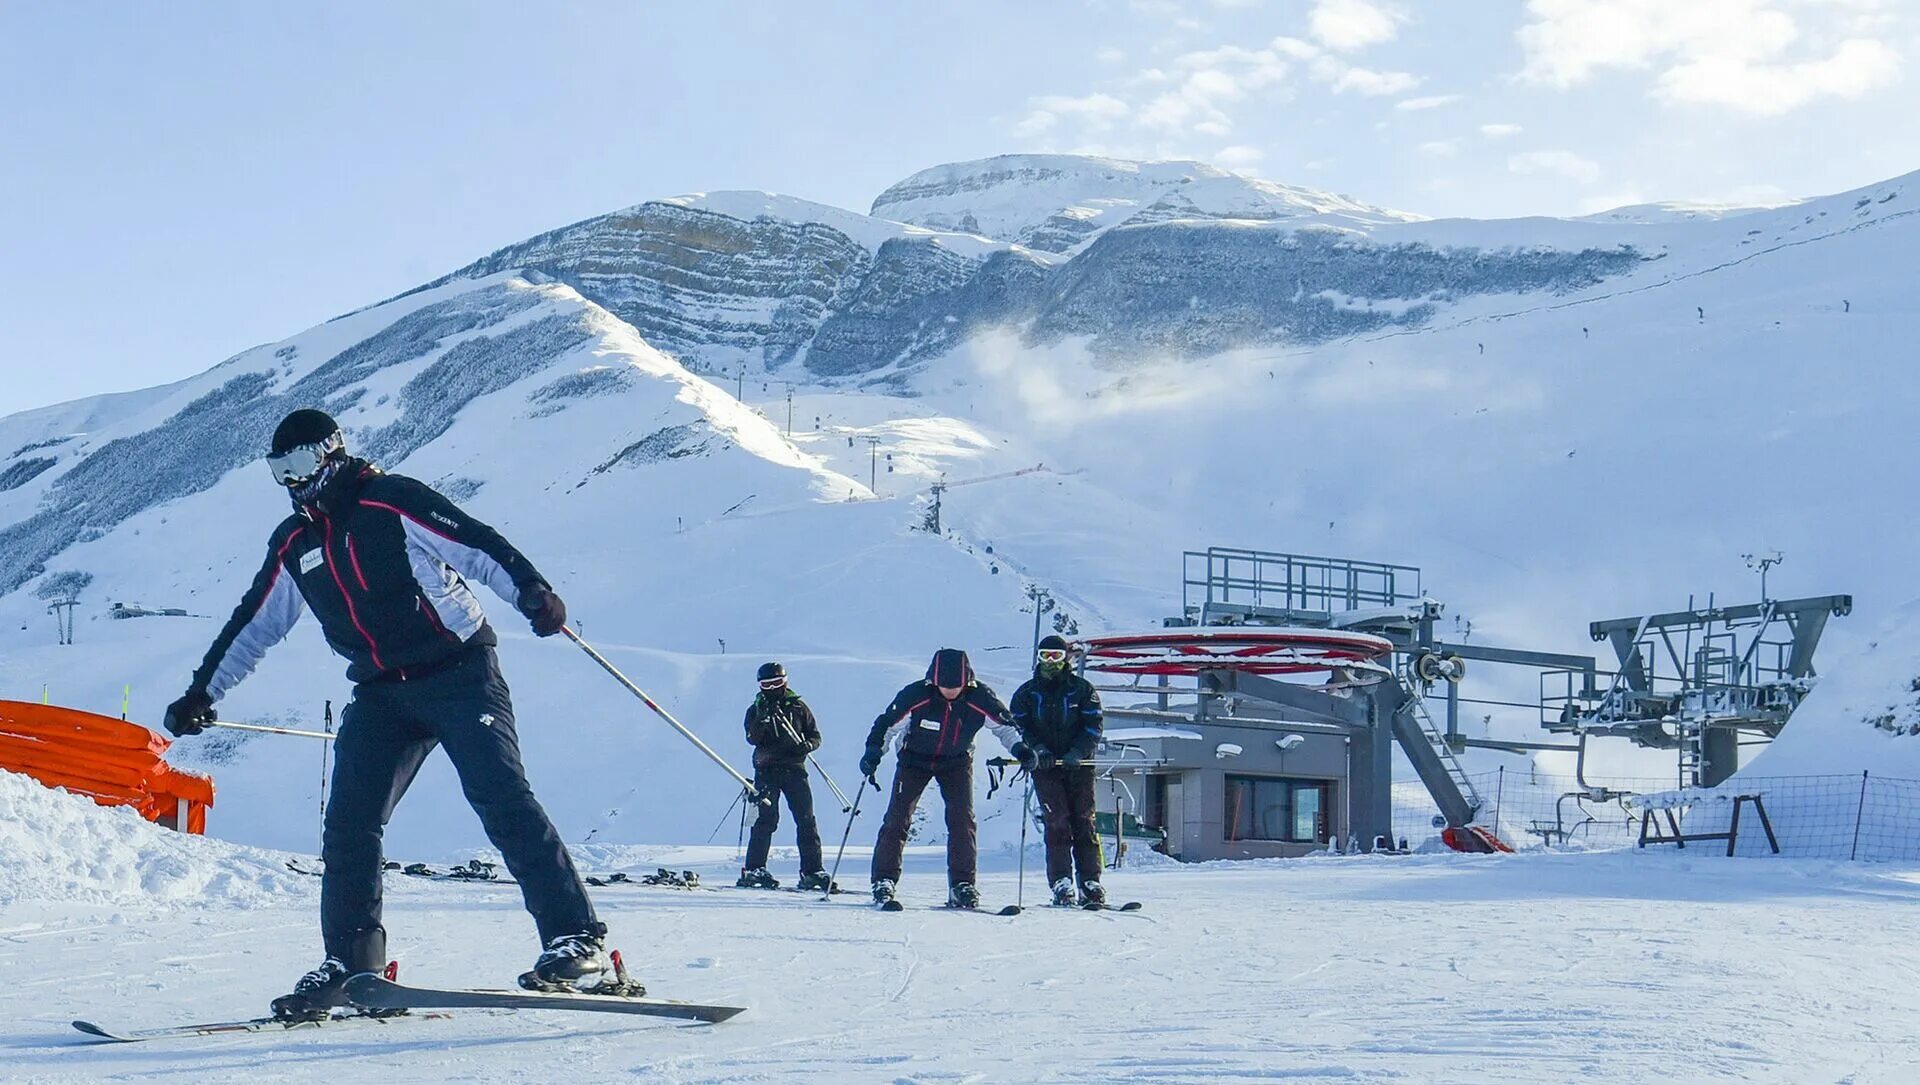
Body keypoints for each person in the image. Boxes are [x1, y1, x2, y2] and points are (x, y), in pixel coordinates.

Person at [161, 408, 607, 1019]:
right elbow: (255, 622)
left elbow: (478, 547)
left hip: (458, 672)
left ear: (329, 452)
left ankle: (575, 938)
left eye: (297, 464)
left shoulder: (390, 501)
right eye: (277, 470)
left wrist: (530, 589)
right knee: (349, 823)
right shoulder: (296, 543)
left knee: (501, 797)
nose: (291, 480)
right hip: (381, 693)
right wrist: (203, 692)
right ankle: (352, 965)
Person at [859, 647, 1019, 909]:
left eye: (955, 686)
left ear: (967, 681)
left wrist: (1020, 750)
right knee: (898, 818)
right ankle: (884, 880)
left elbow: (1005, 728)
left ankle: (962, 885)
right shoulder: (916, 695)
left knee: (962, 820)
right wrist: (874, 751)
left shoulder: (980, 697)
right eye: (944, 686)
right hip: (914, 760)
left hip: (957, 762)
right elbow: (886, 725)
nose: (949, 691)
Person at [1007, 635, 1108, 907]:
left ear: (1066, 658)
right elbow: (1019, 726)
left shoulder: (1082, 690)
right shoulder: (1027, 693)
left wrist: (1078, 752)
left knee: (1084, 819)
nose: (1050, 662)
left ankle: (1090, 880)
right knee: (1057, 820)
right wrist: (1038, 750)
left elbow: (1093, 726)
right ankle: (1061, 880)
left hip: (1079, 766)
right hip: (1046, 766)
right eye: (1045, 656)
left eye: (1056, 656)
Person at [737, 661, 831, 892]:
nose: (772, 689)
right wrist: (763, 719)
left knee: (806, 820)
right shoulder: (755, 709)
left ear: (785, 681)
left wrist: (807, 745)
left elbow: (815, 736)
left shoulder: (798, 707)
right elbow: (752, 738)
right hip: (767, 771)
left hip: (795, 770)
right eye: (766, 685)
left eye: (777, 683)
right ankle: (754, 869)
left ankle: (812, 870)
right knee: (766, 820)